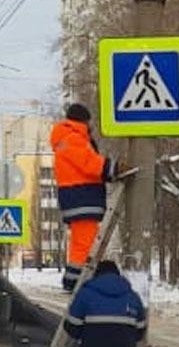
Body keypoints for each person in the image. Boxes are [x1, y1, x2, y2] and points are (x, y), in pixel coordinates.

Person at [51, 103, 131, 293]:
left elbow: (87, 164)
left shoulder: (66, 139)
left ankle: (73, 280)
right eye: (89, 121)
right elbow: (89, 162)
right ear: (83, 121)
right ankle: (78, 283)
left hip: (77, 198)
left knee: (80, 243)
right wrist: (113, 168)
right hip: (82, 197)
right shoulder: (74, 139)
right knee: (85, 245)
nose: (91, 125)